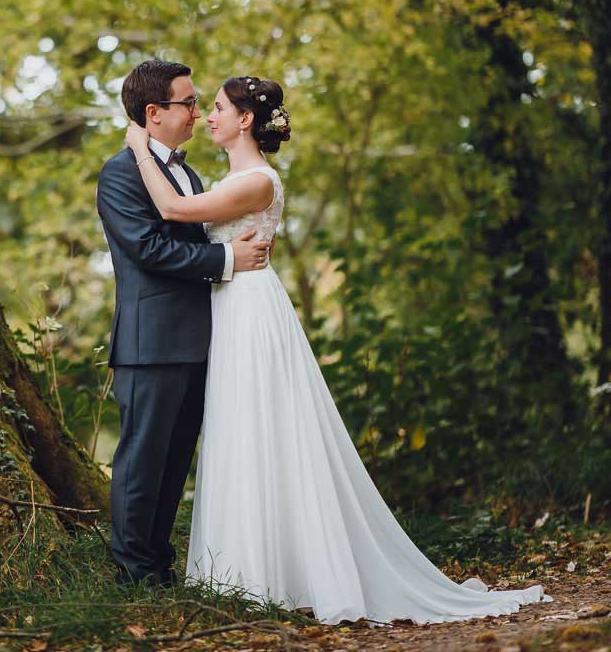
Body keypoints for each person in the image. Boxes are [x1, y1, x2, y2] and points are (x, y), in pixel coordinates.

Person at [121, 73, 551, 623]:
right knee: (239, 431)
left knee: (259, 427)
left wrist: (138, 146)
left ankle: (266, 575)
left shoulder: (256, 179)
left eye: (220, 108)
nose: (209, 115)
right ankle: (248, 571)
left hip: (250, 310)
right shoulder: (225, 176)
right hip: (227, 309)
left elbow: (176, 213)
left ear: (245, 119)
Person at [96, 60, 272, 588]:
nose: (197, 112)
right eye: (188, 103)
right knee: (141, 461)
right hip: (150, 343)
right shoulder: (120, 173)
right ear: (154, 113)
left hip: (199, 341)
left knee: (174, 464)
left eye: (200, 102)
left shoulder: (189, 174)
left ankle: (159, 563)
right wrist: (227, 263)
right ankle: (132, 573)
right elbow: (148, 250)